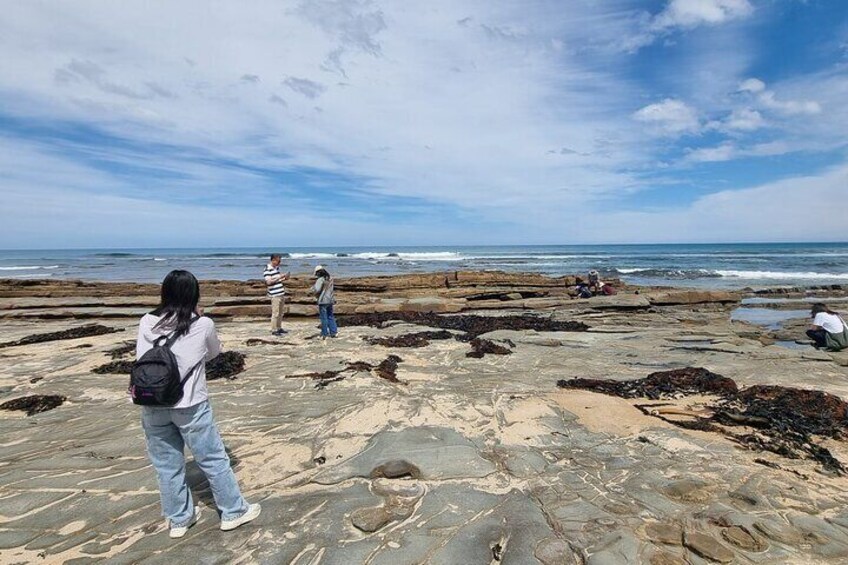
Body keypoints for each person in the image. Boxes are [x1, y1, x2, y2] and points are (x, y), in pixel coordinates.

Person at [136, 270, 261, 538]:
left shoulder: (147, 321)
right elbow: (214, 352)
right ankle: (233, 511)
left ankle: (179, 520)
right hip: (190, 403)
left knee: (167, 465)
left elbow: (141, 356)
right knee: (213, 459)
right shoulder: (202, 324)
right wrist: (197, 317)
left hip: (152, 402)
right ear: (194, 294)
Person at [264, 254, 290, 336]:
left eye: (280, 261)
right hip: (275, 294)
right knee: (275, 313)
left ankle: (279, 327)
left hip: (281, 293)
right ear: (273, 260)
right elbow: (268, 282)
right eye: (278, 261)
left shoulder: (276, 269)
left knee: (281, 312)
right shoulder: (267, 269)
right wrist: (279, 277)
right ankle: (274, 329)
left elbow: (276, 280)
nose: (279, 263)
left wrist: (284, 278)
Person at [311, 265, 337, 339]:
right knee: (330, 316)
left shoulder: (320, 279)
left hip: (323, 301)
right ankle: (333, 332)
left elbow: (317, 289)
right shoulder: (330, 278)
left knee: (324, 318)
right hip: (330, 300)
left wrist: (312, 289)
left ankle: (324, 333)